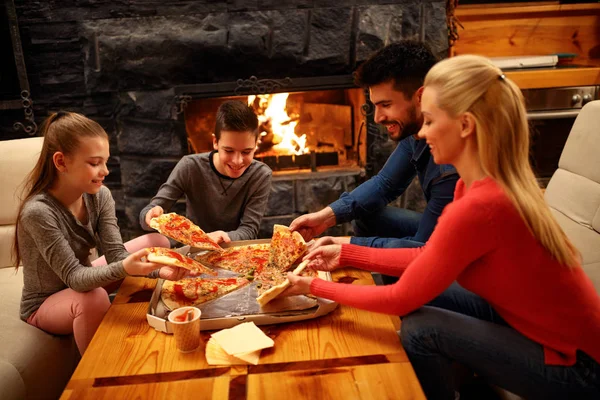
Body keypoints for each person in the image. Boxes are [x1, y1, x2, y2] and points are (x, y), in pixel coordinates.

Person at [283, 55, 600, 399]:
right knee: (416, 307)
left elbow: (400, 297)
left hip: (579, 367)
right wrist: (346, 252)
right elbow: (426, 255)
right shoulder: (476, 184)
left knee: (421, 329)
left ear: (465, 125)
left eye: (430, 121)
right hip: (518, 319)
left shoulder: (481, 205)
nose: (421, 132)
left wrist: (315, 287)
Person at [14, 111, 190, 355]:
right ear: (61, 162)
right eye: (94, 163)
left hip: (83, 279)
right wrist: (127, 268)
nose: (105, 171)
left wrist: (161, 271)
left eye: (105, 161)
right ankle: (98, 371)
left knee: (156, 241)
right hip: (46, 303)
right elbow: (75, 279)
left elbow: (116, 254)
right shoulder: (38, 212)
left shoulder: (99, 195)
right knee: (94, 297)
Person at [289, 41, 458, 250]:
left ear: (420, 97)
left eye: (386, 105)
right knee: (366, 216)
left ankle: (395, 284)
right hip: (439, 241)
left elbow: (421, 250)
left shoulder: (449, 167)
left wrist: (347, 245)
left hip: (469, 264)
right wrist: (326, 217)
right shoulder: (416, 129)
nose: (377, 118)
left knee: (399, 250)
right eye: (374, 106)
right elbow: (385, 184)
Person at [140, 100, 272, 244]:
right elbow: (150, 211)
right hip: (194, 249)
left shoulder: (261, 174)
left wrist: (223, 236)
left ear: (256, 144)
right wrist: (151, 214)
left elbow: (249, 230)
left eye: (246, 152)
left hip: (236, 250)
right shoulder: (190, 166)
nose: (237, 161)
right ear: (215, 142)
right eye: (229, 150)